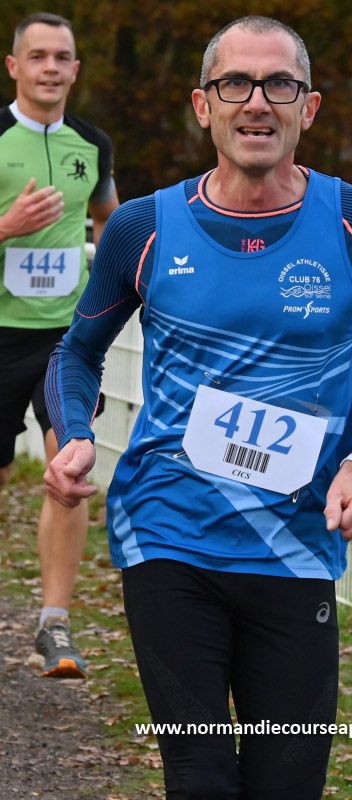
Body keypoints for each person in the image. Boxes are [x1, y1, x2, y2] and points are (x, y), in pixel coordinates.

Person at [44, 15, 352, 798]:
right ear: (204, 105)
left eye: (279, 84)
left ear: (308, 107)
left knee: (287, 782)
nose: (257, 101)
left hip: (295, 543)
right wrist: (75, 434)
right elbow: (75, 353)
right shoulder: (144, 227)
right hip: (167, 533)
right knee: (201, 778)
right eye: (235, 84)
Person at [0, 13, 119, 679]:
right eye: (37, 55)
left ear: (76, 69)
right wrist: (6, 225)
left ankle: (55, 624)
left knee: (68, 470)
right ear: (13, 66)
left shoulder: (92, 144)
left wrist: (118, 291)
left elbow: (110, 222)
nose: (50, 67)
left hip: (64, 340)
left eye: (62, 56)